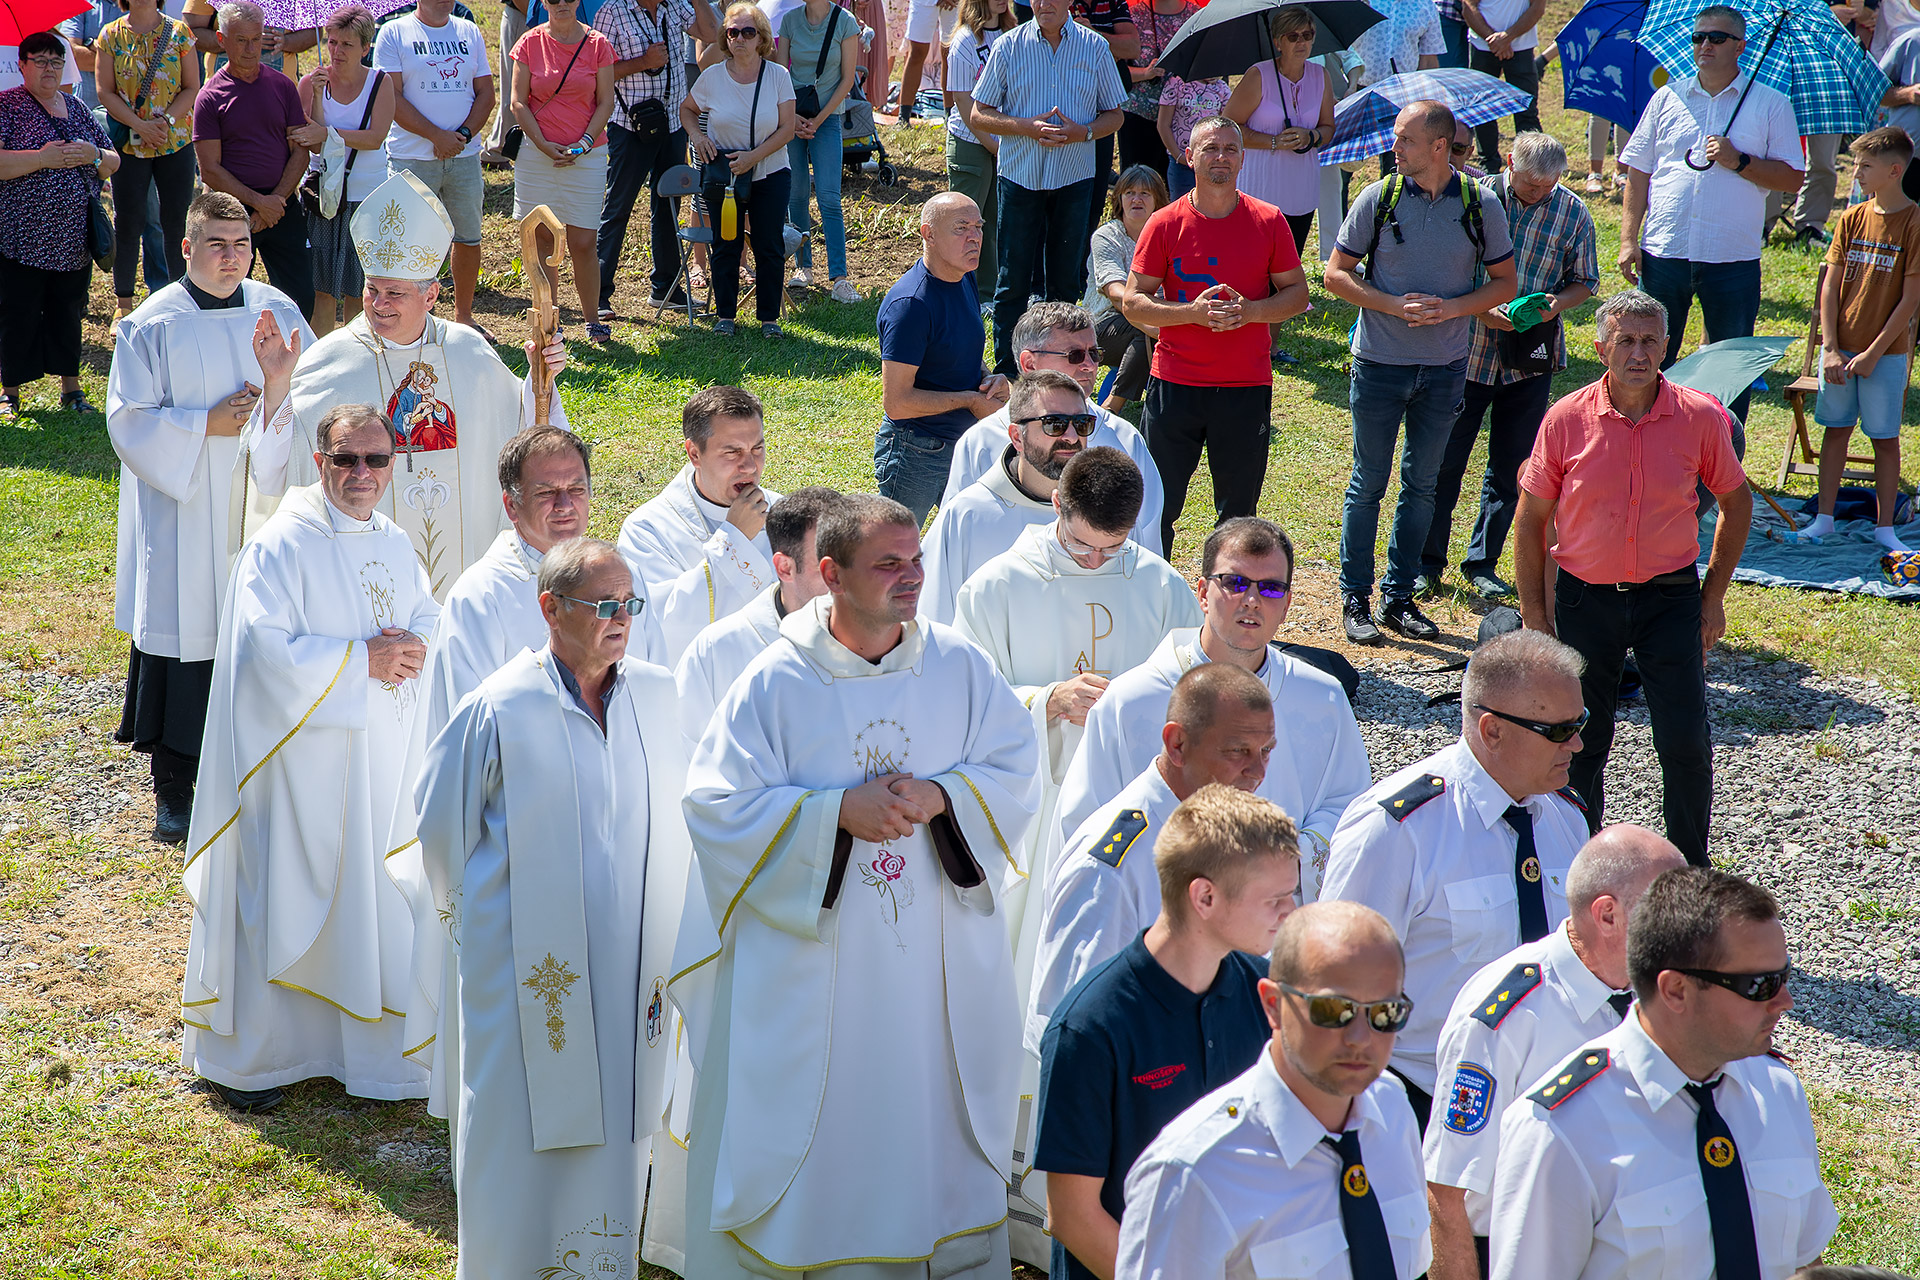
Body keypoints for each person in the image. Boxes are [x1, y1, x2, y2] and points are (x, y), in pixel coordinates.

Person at [677, 492, 1041, 1280]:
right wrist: (836, 813)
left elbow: (1017, 766)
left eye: (916, 561)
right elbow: (714, 805)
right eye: (888, 564)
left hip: (935, 959)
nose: (911, 577)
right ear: (833, 574)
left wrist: (943, 798)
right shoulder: (777, 680)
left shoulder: (958, 664)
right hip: (818, 965)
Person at [414, 537, 696, 1280]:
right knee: (516, 1130)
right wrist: (484, 939)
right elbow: (440, 831)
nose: (620, 619)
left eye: (629, 604)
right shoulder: (500, 707)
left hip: (633, 972)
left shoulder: (658, 697)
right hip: (530, 976)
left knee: (614, 1136)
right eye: (603, 605)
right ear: (550, 607)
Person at [180, 402, 440, 1114]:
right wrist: (362, 661)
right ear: (319, 461)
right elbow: (261, 656)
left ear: (393, 464)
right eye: (345, 459)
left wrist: (415, 643)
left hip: (379, 759)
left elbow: (425, 613)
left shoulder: (392, 540)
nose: (362, 473)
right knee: (285, 895)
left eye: (376, 459)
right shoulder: (279, 546)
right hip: (299, 766)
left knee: (373, 894)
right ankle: (263, 1061)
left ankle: (368, 1059)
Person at [1488, 868, 1838, 1279]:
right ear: (1675, 990)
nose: (1785, 1001)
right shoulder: (1560, 1130)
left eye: (1784, 976)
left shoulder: (1777, 1091)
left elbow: (1804, 1263)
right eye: (1760, 984)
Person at [243, 169, 572, 601]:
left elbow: (522, 428)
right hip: (361, 583)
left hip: (465, 566)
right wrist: (276, 387)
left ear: (431, 296)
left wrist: (539, 379)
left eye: (395, 293)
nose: (379, 304)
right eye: (372, 290)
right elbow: (274, 468)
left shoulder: (469, 352)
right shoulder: (329, 362)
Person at [1513, 289, 1752, 867]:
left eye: (1649, 341)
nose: (1638, 354)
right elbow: (1530, 519)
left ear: (1666, 347)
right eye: (1625, 341)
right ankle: (1577, 865)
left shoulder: (1700, 417)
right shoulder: (1565, 418)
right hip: (1585, 600)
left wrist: (1713, 596)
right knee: (1580, 741)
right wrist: (1536, 617)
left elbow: (1736, 502)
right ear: (1601, 349)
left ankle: (1689, 871)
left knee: (1685, 740)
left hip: (1669, 598)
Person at [107, 190, 316, 844]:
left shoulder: (279, 311)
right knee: (189, 631)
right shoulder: (152, 324)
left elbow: (314, 393)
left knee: (261, 628)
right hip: (186, 506)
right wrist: (206, 424)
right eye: (217, 245)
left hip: (264, 499)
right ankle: (175, 786)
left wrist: (276, 394)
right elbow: (129, 420)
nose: (232, 258)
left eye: (242, 245)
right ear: (186, 247)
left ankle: (259, 774)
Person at [1321, 627, 1592, 1130]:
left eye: (1580, 722)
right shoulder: (1398, 829)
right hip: (1423, 1104)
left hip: (1543, 1106)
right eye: (1558, 730)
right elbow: (1338, 984)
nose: (1577, 743)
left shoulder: (1566, 818)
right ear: (1492, 731)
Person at [1036, 783, 1300, 1280]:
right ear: (1205, 897)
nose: (1290, 912)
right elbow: (1072, 1216)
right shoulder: (1089, 1029)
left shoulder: (1266, 995)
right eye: (1275, 899)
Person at [1423, 823, 1687, 1280]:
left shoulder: (1668, 990)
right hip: (1521, 1253)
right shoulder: (1506, 1016)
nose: (1689, 927)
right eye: (1670, 911)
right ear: (1608, 915)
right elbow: (1447, 1192)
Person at [1055, 516, 1369, 899]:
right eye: (1235, 583)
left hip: (1280, 915)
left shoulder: (1323, 699)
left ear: (1287, 604)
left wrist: (1277, 861)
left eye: (1271, 588)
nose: (1252, 600)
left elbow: (1350, 809)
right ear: (1203, 593)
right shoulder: (1129, 703)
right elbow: (1086, 827)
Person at [1116, 902, 1433, 1280]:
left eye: (1386, 1012)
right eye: (1335, 1010)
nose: (1360, 1038)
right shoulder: (1193, 1172)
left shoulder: (1393, 1110)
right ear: (1274, 1005)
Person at [1324, 100, 1517, 645]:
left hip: (1445, 368)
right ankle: (1356, 597)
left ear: (1438, 146)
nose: (1394, 148)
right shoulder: (1378, 197)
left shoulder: (1481, 205)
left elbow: (1505, 284)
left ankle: (1399, 596)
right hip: (1378, 364)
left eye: (1404, 139)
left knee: (1422, 486)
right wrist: (1393, 305)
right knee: (1367, 484)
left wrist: (1452, 309)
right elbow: (1335, 274)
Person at [1027, 663, 1279, 1051]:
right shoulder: (1111, 868)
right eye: (1237, 751)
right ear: (1177, 744)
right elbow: (1073, 1032)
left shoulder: (1226, 829)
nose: (1258, 771)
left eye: (1266, 751)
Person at [1422, 131, 1597, 602]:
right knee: (1444, 462)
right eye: (1529, 184)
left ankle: (1483, 562)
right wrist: (1480, 309)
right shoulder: (1472, 200)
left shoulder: (1572, 212)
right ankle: (1427, 562)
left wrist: (1555, 304)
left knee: (1514, 468)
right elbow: (1442, 269)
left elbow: (1585, 280)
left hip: (1529, 359)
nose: (1538, 193)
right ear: (1508, 162)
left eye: (1547, 186)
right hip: (1463, 350)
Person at [1123, 115, 1310, 554]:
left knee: (1238, 516)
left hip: (1245, 386)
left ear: (1243, 159)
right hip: (1175, 384)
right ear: (1189, 157)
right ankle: (1151, 587)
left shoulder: (1268, 220)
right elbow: (1133, 302)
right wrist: (1191, 313)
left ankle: (1227, 592)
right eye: (1210, 148)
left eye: (1230, 149)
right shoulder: (1164, 223)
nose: (1220, 157)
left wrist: (1251, 312)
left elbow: (1297, 294)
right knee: (1156, 507)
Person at [1617, 4, 1802, 425]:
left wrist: (1740, 161)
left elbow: (1793, 178)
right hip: (1665, 252)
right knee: (1646, 359)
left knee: (1730, 371)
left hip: (1732, 258)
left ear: (1740, 46)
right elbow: (1638, 171)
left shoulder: (1770, 103)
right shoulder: (1667, 97)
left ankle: (1723, 459)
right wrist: (1628, 240)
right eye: (1698, 37)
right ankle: (1643, 446)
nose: (1705, 45)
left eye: (1717, 37)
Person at [968, 0, 1127, 374]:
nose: (1043, 4)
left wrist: (1082, 132)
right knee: (1012, 281)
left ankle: (1061, 370)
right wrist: (1025, 127)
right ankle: (1009, 372)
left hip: (1074, 178)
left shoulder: (1094, 46)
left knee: (1065, 283)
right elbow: (979, 113)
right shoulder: (1008, 46)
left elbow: (1115, 114)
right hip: (1020, 177)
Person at [936, 300, 1166, 556]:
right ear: (1029, 363)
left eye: (1094, 353)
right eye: (1074, 355)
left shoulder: (1124, 439)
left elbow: (1147, 541)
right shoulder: (981, 442)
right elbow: (956, 539)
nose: (1089, 365)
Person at [1803, 127, 1920, 556]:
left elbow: (1911, 299)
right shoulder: (1851, 217)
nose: (1856, 173)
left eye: (1865, 165)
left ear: (1894, 170)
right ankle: (1824, 519)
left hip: (1885, 356)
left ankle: (1885, 527)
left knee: (1884, 439)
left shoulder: (1915, 222)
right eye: (1855, 164)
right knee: (1835, 432)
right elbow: (1830, 289)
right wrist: (1830, 348)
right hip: (1840, 351)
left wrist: (1873, 353)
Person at [0, 31, 120, 420]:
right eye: (40, 61)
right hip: (21, 237)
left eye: (56, 61)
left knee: (68, 313)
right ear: (22, 65)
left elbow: (113, 161)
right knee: (17, 314)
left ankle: (71, 390)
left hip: (73, 239)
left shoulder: (78, 108)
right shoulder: (7, 107)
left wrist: (93, 153)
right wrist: (41, 158)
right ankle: (9, 393)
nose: (49, 69)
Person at [616, 384, 784, 662]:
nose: (750, 466)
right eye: (732, 452)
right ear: (694, 453)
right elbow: (662, 629)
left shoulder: (784, 512)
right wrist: (733, 539)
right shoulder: (647, 530)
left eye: (757, 449)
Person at [922, 370, 1097, 624]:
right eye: (1054, 424)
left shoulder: (1105, 510)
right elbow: (933, 619)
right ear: (1017, 437)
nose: (1071, 437)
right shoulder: (967, 517)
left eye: (1081, 424)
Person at [875, 191, 1009, 522]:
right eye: (961, 228)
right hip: (915, 453)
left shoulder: (964, 277)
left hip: (964, 444)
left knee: (974, 541)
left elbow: (960, 348)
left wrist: (987, 378)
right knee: (896, 546)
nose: (974, 237)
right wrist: (970, 401)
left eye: (978, 227)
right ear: (929, 234)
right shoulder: (910, 306)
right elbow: (897, 402)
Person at [672, 485, 841, 746]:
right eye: (827, 566)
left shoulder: (887, 637)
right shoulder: (718, 652)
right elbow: (687, 751)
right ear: (785, 568)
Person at [374, 0, 495, 335]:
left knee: (468, 237)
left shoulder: (469, 31)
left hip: (464, 157)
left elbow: (486, 94)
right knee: (407, 243)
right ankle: (410, 322)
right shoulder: (394, 33)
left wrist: (462, 136)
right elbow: (392, 97)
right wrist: (436, 136)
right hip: (412, 158)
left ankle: (463, 318)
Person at [590, 0, 717, 315]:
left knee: (669, 206)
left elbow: (711, 34)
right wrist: (642, 62)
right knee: (618, 208)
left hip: (673, 124)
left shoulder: (674, 5)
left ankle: (666, 289)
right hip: (630, 127)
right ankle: (597, 294)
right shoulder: (611, 12)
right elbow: (596, 71)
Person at [190, 3, 311, 318]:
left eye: (256, 39)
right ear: (221, 40)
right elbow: (210, 170)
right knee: (223, 299)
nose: (251, 48)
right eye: (241, 40)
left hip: (282, 206)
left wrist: (275, 202)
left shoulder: (283, 86)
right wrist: (258, 205)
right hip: (230, 213)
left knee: (301, 300)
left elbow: (300, 150)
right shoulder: (210, 97)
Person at [509, 0, 618, 342]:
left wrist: (583, 144)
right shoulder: (529, 42)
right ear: (543, 2)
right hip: (537, 155)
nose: (561, 4)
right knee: (542, 239)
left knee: (583, 242)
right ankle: (549, 320)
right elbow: (517, 101)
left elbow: (606, 102)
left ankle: (592, 320)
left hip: (587, 156)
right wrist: (543, 144)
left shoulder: (598, 44)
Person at [685, 3, 795, 336]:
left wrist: (753, 157)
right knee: (726, 243)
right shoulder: (712, 77)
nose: (740, 39)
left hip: (770, 173)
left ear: (761, 38)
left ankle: (769, 320)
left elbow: (787, 129)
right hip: (725, 177)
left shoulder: (778, 76)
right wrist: (698, 137)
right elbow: (687, 110)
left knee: (768, 244)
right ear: (725, 37)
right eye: (733, 32)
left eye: (748, 32)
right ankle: (725, 318)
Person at [291, 6, 398, 338]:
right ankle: (320, 358)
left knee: (362, 290)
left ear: (366, 48)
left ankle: (359, 355)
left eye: (347, 45)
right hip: (323, 200)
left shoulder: (380, 83)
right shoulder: (310, 83)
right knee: (321, 292)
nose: (337, 51)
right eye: (332, 42)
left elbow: (375, 138)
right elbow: (311, 143)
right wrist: (317, 99)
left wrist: (328, 134)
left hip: (368, 200)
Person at [96, 0, 198, 324]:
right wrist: (139, 125)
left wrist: (165, 122)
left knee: (176, 222)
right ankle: (124, 304)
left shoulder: (180, 33)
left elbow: (191, 87)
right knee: (128, 221)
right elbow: (105, 92)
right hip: (129, 142)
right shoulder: (110, 35)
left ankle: (180, 301)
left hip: (175, 140)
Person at [1223, 6, 1332, 252]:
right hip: (1260, 190)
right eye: (1293, 36)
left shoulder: (1321, 76)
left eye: (1307, 35)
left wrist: (1312, 136)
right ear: (1277, 42)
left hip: (1302, 189)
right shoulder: (1258, 75)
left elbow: (1328, 128)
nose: (1301, 42)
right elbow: (1228, 128)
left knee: (1291, 260)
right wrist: (1274, 141)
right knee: (1255, 262)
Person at [780, 0, 860, 301]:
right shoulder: (790, 20)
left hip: (827, 119)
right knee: (796, 193)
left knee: (829, 198)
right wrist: (793, 118)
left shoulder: (845, 21)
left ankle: (840, 277)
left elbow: (847, 79)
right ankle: (804, 267)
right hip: (793, 117)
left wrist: (819, 119)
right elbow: (780, 73)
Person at [943, 0, 1016, 286]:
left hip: (1003, 141)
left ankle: (985, 294)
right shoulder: (964, 41)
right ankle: (958, 289)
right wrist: (993, 145)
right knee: (963, 225)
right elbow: (963, 101)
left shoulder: (1012, 33)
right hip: (970, 142)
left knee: (992, 223)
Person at [1086, 165, 1166, 412]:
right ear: (1119, 199)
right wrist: (1156, 327)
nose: (1136, 199)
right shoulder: (1107, 236)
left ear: (1157, 200)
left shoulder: (1168, 234)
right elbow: (1116, 293)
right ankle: (1111, 407)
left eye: (1145, 193)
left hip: (1158, 315)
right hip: (1102, 324)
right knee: (1144, 333)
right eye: (1129, 192)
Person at [1461, 0, 1543, 173]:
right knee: (1482, 110)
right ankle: (1488, 168)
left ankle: (1532, 167)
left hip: (1521, 47)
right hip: (1482, 46)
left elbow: (1537, 8)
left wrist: (1507, 37)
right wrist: (1494, 39)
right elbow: (1468, 7)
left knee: (1527, 110)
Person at [1117, 0, 1195, 176]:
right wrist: (1145, 73)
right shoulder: (1131, 16)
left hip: (1183, 120)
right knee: (1137, 182)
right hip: (1139, 116)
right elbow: (1114, 72)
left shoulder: (1196, 15)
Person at [1157, 71, 1230, 199]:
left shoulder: (1222, 88)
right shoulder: (1176, 83)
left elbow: (1228, 124)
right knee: (1181, 204)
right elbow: (1163, 124)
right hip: (1181, 162)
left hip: (1211, 161)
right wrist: (1178, 156)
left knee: (1211, 203)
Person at [1880, 25, 1920, 203]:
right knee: (1895, 214)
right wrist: (1908, 95)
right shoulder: (1911, 42)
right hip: (1907, 158)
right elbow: (1876, 93)